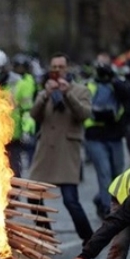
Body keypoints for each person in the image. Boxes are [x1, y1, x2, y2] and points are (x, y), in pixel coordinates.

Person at [27, 52, 94, 243]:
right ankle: (45, 236)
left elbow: (84, 114)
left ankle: (88, 237)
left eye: (60, 67)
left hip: (66, 151)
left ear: (67, 68)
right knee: (33, 195)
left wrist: (68, 94)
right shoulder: (44, 91)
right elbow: (34, 115)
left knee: (70, 200)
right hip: (46, 150)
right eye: (54, 67)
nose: (57, 71)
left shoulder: (80, 90)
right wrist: (45, 96)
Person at [84, 61, 130, 219]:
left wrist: (113, 79)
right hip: (95, 136)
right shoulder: (89, 85)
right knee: (104, 173)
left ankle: (100, 199)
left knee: (117, 174)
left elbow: (128, 93)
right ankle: (109, 210)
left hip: (115, 135)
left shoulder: (117, 84)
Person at [0, 49, 33, 178]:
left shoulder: (18, 84)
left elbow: (26, 110)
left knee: (14, 173)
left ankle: (14, 197)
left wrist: (26, 130)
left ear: (5, 68)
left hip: (13, 138)